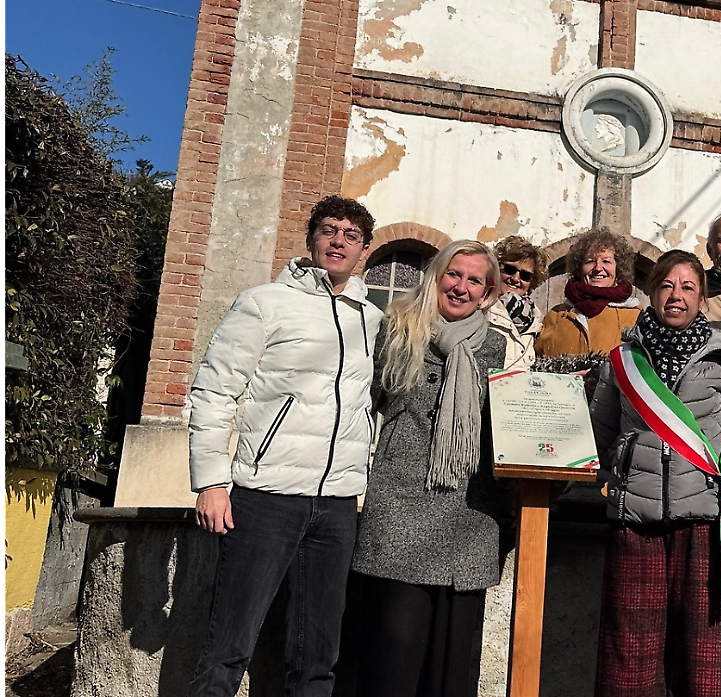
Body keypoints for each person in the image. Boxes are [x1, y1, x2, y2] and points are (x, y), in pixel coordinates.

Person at [187, 195, 381, 696]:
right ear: (310, 238)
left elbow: (367, 405)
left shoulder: (369, 318)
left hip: (337, 504)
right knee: (229, 646)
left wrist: (361, 476)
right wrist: (210, 482)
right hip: (266, 496)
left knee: (318, 656)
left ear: (363, 249)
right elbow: (215, 390)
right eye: (329, 230)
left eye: (351, 235)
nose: (339, 241)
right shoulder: (263, 302)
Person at [591, 249, 721, 697]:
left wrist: (703, 485)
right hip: (635, 520)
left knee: (703, 652)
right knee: (630, 651)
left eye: (687, 287)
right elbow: (602, 432)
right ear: (652, 292)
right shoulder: (623, 360)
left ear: (701, 297)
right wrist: (624, 479)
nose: (676, 296)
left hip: (703, 520)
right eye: (666, 286)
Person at [351, 240, 509, 697]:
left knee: (453, 665)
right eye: (453, 275)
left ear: (487, 292)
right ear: (436, 276)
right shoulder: (397, 329)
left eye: (474, 280)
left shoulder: (495, 347)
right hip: (400, 504)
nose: (461, 287)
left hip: (469, 514)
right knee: (392, 656)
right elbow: (366, 408)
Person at [535, 228, 642, 357]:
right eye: (590, 261)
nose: (598, 268)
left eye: (606, 261)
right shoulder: (555, 316)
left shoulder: (636, 317)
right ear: (579, 269)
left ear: (618, 269)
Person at [487, 234, 549, 370]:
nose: (515, 278)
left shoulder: (535, 320)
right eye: (510, 270)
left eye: (525, 275)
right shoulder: (481, 308)